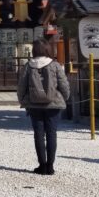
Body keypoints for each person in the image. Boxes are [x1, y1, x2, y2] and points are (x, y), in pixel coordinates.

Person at [17, 38, 69, 175]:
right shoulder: (55, 65)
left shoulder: (28, 66)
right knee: (52, 134)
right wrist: (64, 98)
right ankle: (50, 166)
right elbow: (64, 85)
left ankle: (42, 165)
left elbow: (21, 86)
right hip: (53, 104)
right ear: (48, 49)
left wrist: (23, 100)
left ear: (34, 50)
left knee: (38, 135)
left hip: (34, 104)